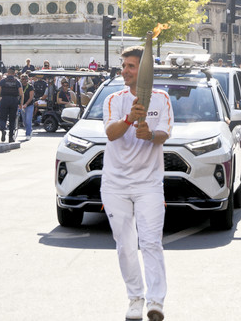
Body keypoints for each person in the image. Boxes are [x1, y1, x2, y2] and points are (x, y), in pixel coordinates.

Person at [102, 46, 173, 321]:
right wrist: (130, 119)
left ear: (144, 71)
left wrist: (150, 134)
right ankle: (135, 298)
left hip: (149, 183)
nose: (125, 71)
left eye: (131, 66)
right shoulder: (114, 99)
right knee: (125, 244)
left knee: (151, 241)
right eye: (124, 66)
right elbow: (111, 133)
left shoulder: (162, 99)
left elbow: (164, 134)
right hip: (115, 183)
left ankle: (156, 302)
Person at [0, 67, 22, 142]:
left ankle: (3, 129)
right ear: (14, 73)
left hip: (4, 100)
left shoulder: (3, 81)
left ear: (8, 73)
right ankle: (11, 137)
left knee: (3, 117)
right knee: (12, 119)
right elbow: (21, 94)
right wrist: (21, 103)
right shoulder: (17, 82)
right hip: (14, 100)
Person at [20, 73, 34, 141]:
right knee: (24, 121)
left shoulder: (30, 87)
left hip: (29, 105)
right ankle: (30, 129)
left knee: (28, 120)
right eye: (21, 79)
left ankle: (28, 134)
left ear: (26, 80)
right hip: (22, 105)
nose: (22, 80)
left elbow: (31, 97)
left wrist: (26, 104)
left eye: (24, 79)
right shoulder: (20, 86)